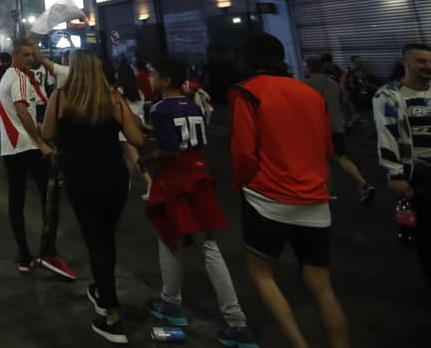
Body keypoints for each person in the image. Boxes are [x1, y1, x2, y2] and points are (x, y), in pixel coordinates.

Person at [229, 34, 349, 348]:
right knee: (323, 286)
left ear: (249, 58)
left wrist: (241, 183)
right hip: (314, 198)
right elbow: (326, 148)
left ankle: (299, 344)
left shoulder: (247, 92)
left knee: (262, 274)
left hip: (267, 198)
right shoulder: (310, 94)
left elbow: (244, 153)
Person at [142, 56, 258, 348]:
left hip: (176, 181)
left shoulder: (158, 108)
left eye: (154, 74)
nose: (150, 78)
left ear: (166, 81)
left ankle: (171, 302)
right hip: (200, 177)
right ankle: (236, 321)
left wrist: (148, 158)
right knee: (209, 248)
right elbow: (190, 139)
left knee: (170, 240)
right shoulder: (192, 104)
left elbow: (170, 149)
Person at [41, 50, 141, 344]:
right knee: (106, 238)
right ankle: (101, 290)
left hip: (81, 179)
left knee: (96, 242)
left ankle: (112, 316)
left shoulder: (62, 97)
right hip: (114, 179)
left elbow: (47, 133)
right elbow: (136, 139)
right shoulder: (113, 99)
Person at [0, 38, 76, 280]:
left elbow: (21, 113)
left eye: (33, 55)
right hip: (27, 147)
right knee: (50, 196)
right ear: (14, 55)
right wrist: (41, 142)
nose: (30, 59)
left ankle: (24, 255)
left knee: (16, 200)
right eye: (25, 55)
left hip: (11, 148)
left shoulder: (8, 77)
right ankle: (48, 251)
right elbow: (22, 112)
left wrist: (40, 129)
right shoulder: (19, 78)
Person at [373, 41, 431, 285]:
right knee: (426, 234)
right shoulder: (388, 95)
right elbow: (387, 136)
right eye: (420, 61)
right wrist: (394, 174)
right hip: (419, 175)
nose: (427, 66)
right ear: (404, 62)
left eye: (430, 61)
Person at [303, 58, 375, 204]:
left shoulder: (306, 86)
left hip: (320, 127)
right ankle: (363, 183)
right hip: (337, 126)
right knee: (341, 157)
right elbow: (341, 101)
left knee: (323, 159)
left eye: (304, 67)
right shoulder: (333, 84)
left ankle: (329, 192)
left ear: (309, 69)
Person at [115, 61, 152, 199]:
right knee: (130, 158)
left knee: (135, 158)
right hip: (136, 128)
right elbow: (140, 113)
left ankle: (150, 183)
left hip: (123, 129)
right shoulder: (139, 92)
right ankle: (126, 184)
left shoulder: (118, 92)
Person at [342, 57, 373, 134]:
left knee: (367, 112)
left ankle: (370, 131)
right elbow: (343, 82)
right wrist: (345, 93)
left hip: (364, 94)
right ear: (353, 62)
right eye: (358, 61)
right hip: (355, 95)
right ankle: (349, 126)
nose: (360, 63)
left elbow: (364, 81)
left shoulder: (361, 70)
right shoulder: (348, 70)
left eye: (360, 61)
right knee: (363, 112)